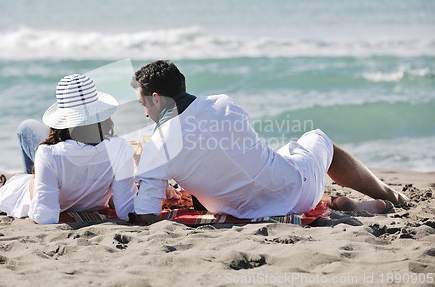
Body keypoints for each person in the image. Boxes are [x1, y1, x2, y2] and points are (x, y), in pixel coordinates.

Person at [130, 60, 408, 224]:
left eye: (143, 103)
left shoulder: (158, 147)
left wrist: (147, 166)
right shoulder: (224, 104)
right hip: (297, 190)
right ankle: (389, 195)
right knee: (319, 141)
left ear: (156, 98)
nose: (144, 112)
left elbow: (146, 215)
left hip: (238, 210)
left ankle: (351, 201)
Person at [0, 74, 137, 224]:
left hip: (26, 192)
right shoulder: (121, 147)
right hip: (90, 200)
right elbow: (126, 209)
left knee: (25, 129)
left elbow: (44, 217)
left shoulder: (49, 153)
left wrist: (35, 180)